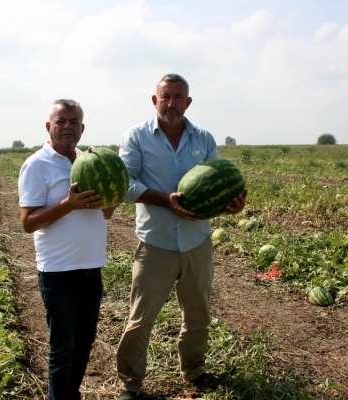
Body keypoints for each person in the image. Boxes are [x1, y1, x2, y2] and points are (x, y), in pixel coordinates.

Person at [115, 74, 247, 400]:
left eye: (178, 97)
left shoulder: (203, 139)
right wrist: (165, 199)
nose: (171, 103)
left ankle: (195, 371)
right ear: (154, 100)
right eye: (166, 96)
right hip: (156, 244)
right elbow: (123, 184)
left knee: (198, 315)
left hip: (196, 242)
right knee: (140, 320)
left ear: (188, 102)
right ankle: (129, 386)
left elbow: (221, 180)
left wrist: (231, 205)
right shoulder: (137, 137)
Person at [18, 99, 115, 400]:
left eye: (74, 122)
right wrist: (67, 205)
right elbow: (28, 223)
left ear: (82, 129)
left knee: (85, 341)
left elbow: (107, 213)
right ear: (49, 126)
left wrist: (109, 198)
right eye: (61, 121)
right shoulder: (36, 165)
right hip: (58, 272)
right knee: (63, 348)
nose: (67, 127)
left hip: (92, 267)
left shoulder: (90, 160)